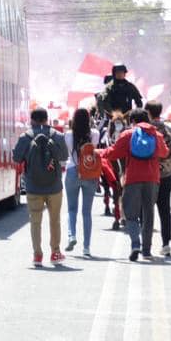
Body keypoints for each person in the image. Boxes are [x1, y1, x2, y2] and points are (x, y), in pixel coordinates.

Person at [101, 107, 169, 262]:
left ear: (132, 121)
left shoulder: (128, 134)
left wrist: (99, 152)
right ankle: (146, 250)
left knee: (131, 215)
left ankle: (135, 245)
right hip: (152, 178)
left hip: (133, 178)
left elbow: (113, 153)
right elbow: (164, 153)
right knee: (148, 214)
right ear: (148, 119)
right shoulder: (156, 135)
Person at [13, 107, 69, 266]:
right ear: (47, 119)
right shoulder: (57, 135)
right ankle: (55, 253)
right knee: (55, 220)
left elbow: (17, 158)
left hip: (33, 187)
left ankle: (37, 255)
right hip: (54, 187)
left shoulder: (25, 137)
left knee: (35, 221)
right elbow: (64, 156)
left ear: (32, 120)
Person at [63, 107, 100, 256]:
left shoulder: (68, 135)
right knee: (87, 212)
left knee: (72, 209)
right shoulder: (95, 134)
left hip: (72, 170)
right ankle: (86, 248)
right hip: (89, 172)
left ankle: (71, 236)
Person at [146, 101, 171, 256]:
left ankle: (146, 244)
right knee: (164, 209)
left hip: (150, 174)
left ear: (148, 112)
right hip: (166, 174)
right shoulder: (167, 128)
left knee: (147, 209)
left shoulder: (147, 129)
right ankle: (166, 243)